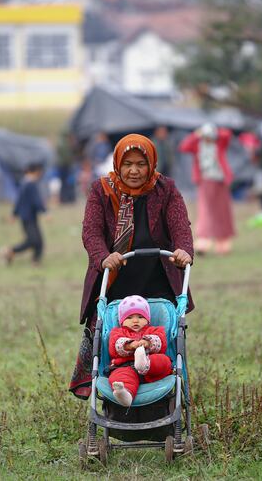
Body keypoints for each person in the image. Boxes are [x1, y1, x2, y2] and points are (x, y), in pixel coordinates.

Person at [68, 133, 194, 400]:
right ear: (117, 163)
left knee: (160, 340)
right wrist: (103, 256)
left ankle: (164, 396)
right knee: (112, 341)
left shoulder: (166, 189)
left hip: (158, 280)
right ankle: (115, 390)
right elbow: (91, 231)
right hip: (115, 282)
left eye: (141, 164)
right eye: (127, 164)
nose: (134, 170)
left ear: (151, 164)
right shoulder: (100, 190)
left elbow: (180, 226)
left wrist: (183, 250)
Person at [179, 123, 235, 255]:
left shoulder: (220, 143)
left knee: (222, 212)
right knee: (206, 212)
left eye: (210, 136)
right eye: (206, 136)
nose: (208, 138)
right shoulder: (197, 145)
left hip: (220, 181)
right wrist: (196, 134)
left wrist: (214, 132)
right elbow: (183, 147)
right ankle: (203, 243)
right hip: (204, 181)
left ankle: (223, 243)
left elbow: (227, 135)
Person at [108, 295, 172, 407]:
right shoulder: (117, 332)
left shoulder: (154, 330)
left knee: (165, 361)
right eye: (129, 317)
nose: (135, 320)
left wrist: (148, 343)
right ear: (121, 321)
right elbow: (115, 347)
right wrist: (130, 345)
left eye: (140, 317)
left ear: (147, 320)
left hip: (152, 366)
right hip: (126, 366)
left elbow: (161, 342)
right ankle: (125, 394)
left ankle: (144, 363)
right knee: (119, 376)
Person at [3, 164, 46, 266]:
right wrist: (45, 212)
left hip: (27, 216)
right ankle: (11, 251)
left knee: (38, 241)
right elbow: (36, 201)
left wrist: (14, 214)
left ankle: (35, 261)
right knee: (33, 240)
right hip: (29, 217)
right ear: (35, 172)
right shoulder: (30, 184)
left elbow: (19, 201)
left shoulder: (24, 183)